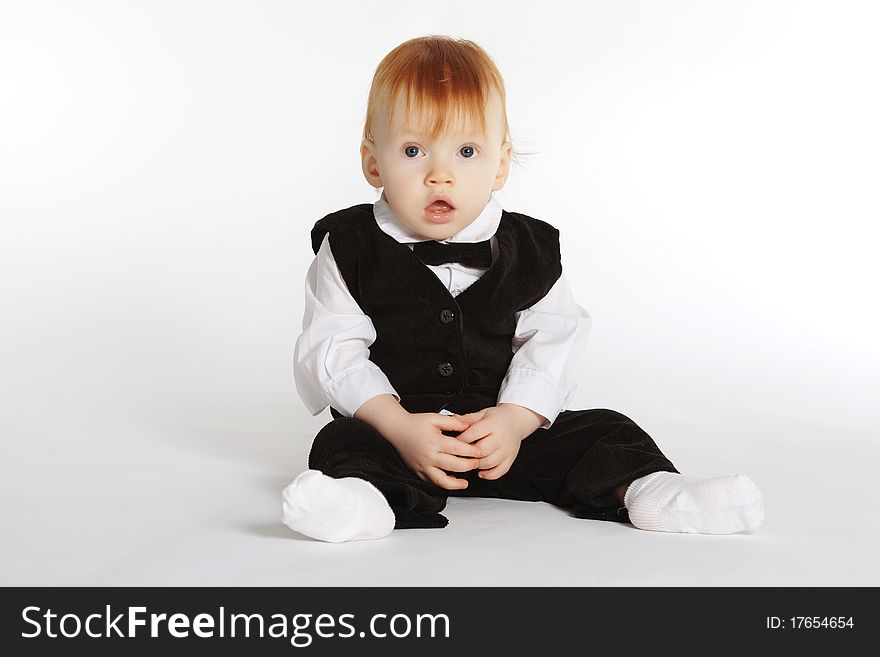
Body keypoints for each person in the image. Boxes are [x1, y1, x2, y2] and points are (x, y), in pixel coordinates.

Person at [283, 35, 764, 543]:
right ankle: (364, 503)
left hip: (505, 440)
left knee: (605, 429)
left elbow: (553, 341)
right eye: (412, 150)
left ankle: (653, 491)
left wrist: (514, 421)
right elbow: (332, 349)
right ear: (373, 162)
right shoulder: (349, 246)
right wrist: (400, 426)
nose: (439, 174)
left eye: (467, 151)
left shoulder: (530, 249)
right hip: (400, 435)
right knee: (342, 440)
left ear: (501, 164)